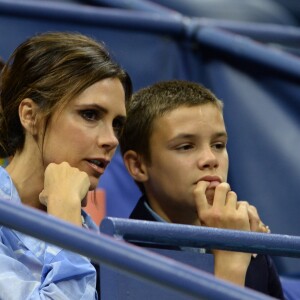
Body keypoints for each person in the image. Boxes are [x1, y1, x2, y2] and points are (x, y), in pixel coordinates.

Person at [119, 80, 284, 299]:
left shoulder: (252, 246)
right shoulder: (120, 259)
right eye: (185, 146)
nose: (210, 159)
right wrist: (231, 265)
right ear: (138, 166)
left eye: (218, 145)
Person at [0, 31, 132, 299]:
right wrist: (65, 216)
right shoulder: (69, 216)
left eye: (117, 124)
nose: (111, 140)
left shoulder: (95, 235)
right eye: (90, 114)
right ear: (30, 115)